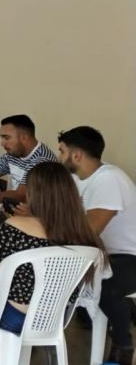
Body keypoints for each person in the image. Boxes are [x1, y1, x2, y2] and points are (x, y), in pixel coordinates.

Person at [0, 161, 104, 355]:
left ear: (34, 194)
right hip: (55, 317)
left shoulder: (16, 226)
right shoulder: (82, 232)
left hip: (13, 317)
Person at [58, 126, 136, 365]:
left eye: (62, 151)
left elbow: (90, 232)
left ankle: (123, 346)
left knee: (103, 282)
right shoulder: (76, 179)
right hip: (100, 254)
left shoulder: (109, 179)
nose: (59, 157)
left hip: (128, 255)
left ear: (77, 155)